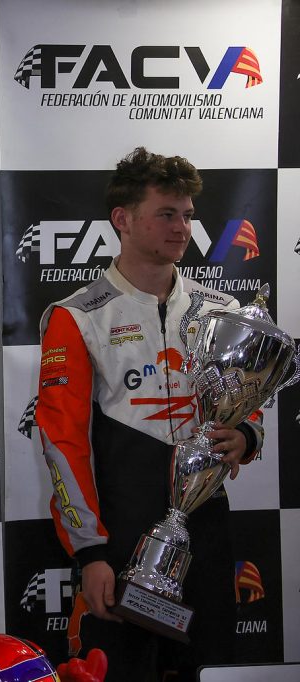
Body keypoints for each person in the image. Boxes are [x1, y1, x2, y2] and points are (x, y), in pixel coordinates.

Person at [35, 148, 263, 681]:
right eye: (166, 214)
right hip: (120, 535)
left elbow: (249, 403)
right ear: (123, 219)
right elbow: (62, 441)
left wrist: (247, 436)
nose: (182, 228)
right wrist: (90, 552)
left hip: (206, 529)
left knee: (208, 671)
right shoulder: (78, 316)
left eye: (187, 215)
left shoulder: (221, 311)